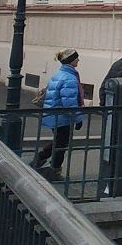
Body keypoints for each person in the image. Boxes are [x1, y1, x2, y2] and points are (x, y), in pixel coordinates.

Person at [32, 48, 85, 179]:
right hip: (62, 118)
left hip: (54, 115)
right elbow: (69, 104)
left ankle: (41, 160)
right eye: (76, 58)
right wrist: (78, 118)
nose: (78, 60)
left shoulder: (59, 73)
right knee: (61, 144)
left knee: (59, 141)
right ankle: (53, 170)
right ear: (71, 61)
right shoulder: (70, 78)